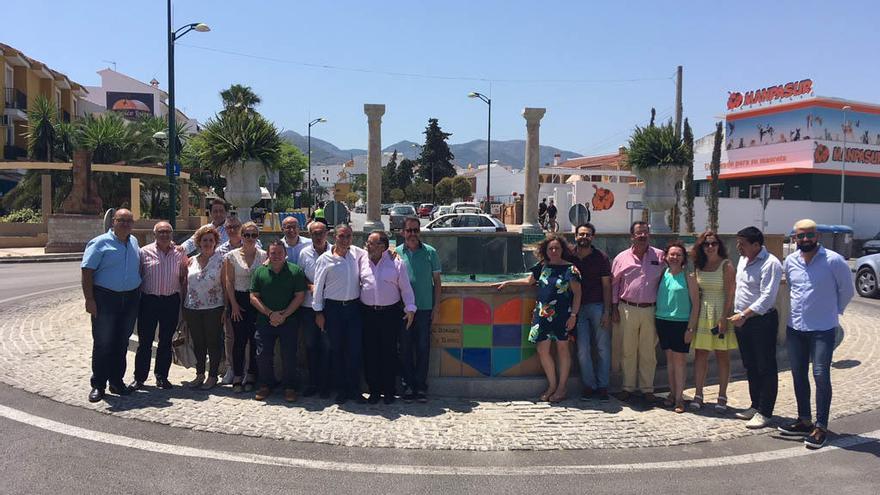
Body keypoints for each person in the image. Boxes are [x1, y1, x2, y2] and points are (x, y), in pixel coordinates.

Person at [779, 219, 853, 449]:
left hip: (823, 329)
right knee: (798, 374)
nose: (805, 239)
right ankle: (804, 419)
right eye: (800, 236)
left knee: (820, 375)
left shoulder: (833, 261)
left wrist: (834, 312)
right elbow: (792, 287)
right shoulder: (790, 261)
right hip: (796, 328)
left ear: (817, 236)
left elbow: (847, 291)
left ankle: (820, 426)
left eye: (809, 235)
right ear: (795, 238)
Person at [497, 234, 581, 402]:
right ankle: (552, 385)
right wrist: (508, 283)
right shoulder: (542, 266)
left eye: (557, 248)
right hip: (543, 314)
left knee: (563, 350)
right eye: (551, 248)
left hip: (563, 315)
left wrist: (573, 316)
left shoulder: (571, 269)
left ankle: (562, 388)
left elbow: (578, 294)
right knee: (542, 350)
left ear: (563, 250)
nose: (554, 251)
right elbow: (529, 281)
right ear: (546, 251)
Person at [81, 209, 142, 402]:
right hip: (106, 298)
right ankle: (98, 384)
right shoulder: (99, 242)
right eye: (121, 220)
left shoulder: (134, 242)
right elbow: (87, 271)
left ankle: (116, 381)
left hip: (130, 298)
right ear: (113, 222)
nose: (125, 224)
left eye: (129, 221)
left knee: (122, 342)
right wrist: (89, 299)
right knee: (103, 342)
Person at [727, 226, 782, 429]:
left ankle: (766, 412)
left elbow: (767, 298)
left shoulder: (771, 264)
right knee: (750, 364)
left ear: (756, 245)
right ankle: (755, 405)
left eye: (742, 244)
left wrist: (744, 314)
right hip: (743, 320)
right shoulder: (743, 260)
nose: (738, 247)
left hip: (761, 321)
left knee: (765, 366)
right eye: (738, 243)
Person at [360, 231, 417, 404]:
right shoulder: (361, 260)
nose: (368, 246)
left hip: (389, 313)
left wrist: (410, 309)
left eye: (372, 243)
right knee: (370, 353)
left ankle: (390, 391)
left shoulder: (396, 263)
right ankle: (374, 391)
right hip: (368, 313)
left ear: (382, 246)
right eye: (368, 243)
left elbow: (405, 289)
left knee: (389, 352)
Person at [611, 221, 664, 404]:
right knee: (628, 350)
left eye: (645, 232)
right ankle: (627, 387)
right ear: (632, 236)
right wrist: (614, 307)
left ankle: (648, 388)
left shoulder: (659, 256)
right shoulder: (621, 258)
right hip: (627, 309)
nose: (642, 236)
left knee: (648, 351)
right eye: (639, 233)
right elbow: (614, 284)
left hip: (651, 309)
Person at [129, 221, 186, 391]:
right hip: (149, 301)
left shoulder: (179, 253)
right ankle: (139, 378)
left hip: (170, 300)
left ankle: (162, 376)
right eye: (161, 232)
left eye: (167, 232)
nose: (164, 235)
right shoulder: (144, 252)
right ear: (154, 234)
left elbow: (184, 275)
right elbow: (137, 277)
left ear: (172, 234)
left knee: (166, 341)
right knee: (145, 341)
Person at [313, 223, 366, 404]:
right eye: (341, 236)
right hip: (333, 310)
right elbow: (318, 287)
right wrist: (318, 312)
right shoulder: (325, 259)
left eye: (348, 236)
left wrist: (392, 253)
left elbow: (377, 254)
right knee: (336, 350)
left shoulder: (357, 254)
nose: (345, 240)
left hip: (353, 309)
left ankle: (354, 389)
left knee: (354, 350)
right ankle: (341, 389)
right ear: (334, 237)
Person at [250, 240, 307, 402]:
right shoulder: (260, 272)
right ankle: (266, 385)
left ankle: (290, 387)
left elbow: (300, 295)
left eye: (279, 253)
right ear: (268, 254)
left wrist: (284, 315)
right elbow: (253, 296)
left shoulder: (295, 272)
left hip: (289, 321)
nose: (276, 256)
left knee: (289, 355)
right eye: (273, 253)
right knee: (262, 354)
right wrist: (270, 314)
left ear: (285, 254)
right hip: (264, 320)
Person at [395, 216, 442, 403]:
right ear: (402, 232)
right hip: (403, 310)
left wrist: (436, 307)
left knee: (423, 348)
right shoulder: (396, 253)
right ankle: (407, 385)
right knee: (404, 349)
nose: (412, 234)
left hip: (424, 309)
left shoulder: (430, 252)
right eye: (409, 230)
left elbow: (437, 283)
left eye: (415, 230)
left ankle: (421, 387)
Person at [690, 231, 737, 412]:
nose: (710, 247)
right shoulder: (698, 265)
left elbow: (730, 293)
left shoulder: (726, 266)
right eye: (706, 244)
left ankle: (722, 395)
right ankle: (698, 393)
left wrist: (724, 319)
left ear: (719, 245)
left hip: (719, 312)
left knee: (721, 355)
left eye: (714, 243)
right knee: (700, 355)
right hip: (703, 312)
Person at [565, 222, 612, 400]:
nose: (584, 237)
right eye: (581, 234)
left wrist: (607, 311)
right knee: (582, 349)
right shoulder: (569, 256)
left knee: (602, 348)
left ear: (593, 237)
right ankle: (590, 385)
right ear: (575, 236)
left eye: (588, 235)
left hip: (597, 306)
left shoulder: (601, 257)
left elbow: (606, 285)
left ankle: (603, 386)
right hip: (576, 309)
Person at [654, 241, 700, 413]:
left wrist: (690, 328)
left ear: (683, 259)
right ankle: (672, 393)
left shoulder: (689, 277)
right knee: (670, 360)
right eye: (671, 254)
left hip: (681, 323)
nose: (674, 257)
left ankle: (680, 399)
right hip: (662, 320)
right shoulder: (662, 274)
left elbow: (696, 304)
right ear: (666, 257)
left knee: (679, 361)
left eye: (678, 255)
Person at [223, 221, 267, 393]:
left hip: (256, 300)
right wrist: (233, 304)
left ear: (257, 237)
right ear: (241, 236)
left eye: (253, 235)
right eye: (247, 235)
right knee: (239, 340)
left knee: (255, 340)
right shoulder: (232, 256)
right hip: (239, 299)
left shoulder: (263, 256)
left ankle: (251, 375)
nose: (250, 238)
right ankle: (237, 375)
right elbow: (229, 281)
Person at [182, 225, 225, 390]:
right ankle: (199, 374)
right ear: (199, 242)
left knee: (213, 342)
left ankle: (212, 375)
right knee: (198, 343)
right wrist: (182, 307)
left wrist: (227, 309)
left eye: (211, 240)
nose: (207, 243)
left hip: (214, 308)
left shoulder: (221, 260)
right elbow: (185, 284)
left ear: (215, 243)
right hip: (192, 307)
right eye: (204, 240)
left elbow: (226, 285)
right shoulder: (191, 260)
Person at [297, 221, 333, 398]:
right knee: (310, 345)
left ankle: (326, 384)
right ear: (309, 235)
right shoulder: (304, 253)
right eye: (314, 234)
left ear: (327, 233)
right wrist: (310, 285)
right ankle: (313, 383)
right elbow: (299, 276)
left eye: (321, 233)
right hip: (309, 307)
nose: (318, 237)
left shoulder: (335, 252)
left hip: (329, 306)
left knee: (327, 346)